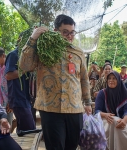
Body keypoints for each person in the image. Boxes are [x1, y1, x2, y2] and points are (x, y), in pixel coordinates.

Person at [19, 14, 92, 150]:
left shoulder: (79, 53)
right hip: (50, 108)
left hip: (74, 109)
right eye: (65, 32)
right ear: (55, 31)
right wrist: (33, 38)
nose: (69, 36)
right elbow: (24, 65)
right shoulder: (43, 48)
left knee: (72, 146)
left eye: (72, 32)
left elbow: (84, 79)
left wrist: (87, 102)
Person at [95, 71, 127, 150]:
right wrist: (105, 115)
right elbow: (97, 111)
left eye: (114, 78)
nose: (111, 80)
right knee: (114, 121)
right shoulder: (102, 93)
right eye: (109, 78)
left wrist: (124, 120)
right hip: (104, 121)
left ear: (119, 80)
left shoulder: (123, 93)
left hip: (120, 122)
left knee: (117, 122)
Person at [5, 47, 36, 132]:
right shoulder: (14, 55)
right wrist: (26, 68)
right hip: (18, 98)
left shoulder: (29, 55)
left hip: (26, 98)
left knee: (24, 130)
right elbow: (8, 75)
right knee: (30, 130)